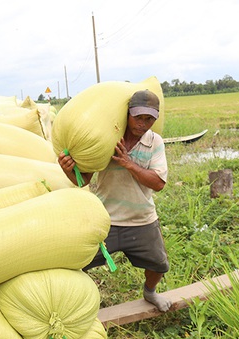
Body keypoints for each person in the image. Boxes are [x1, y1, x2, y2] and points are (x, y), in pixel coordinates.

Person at [58, 89, 172, 312]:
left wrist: (129, 164)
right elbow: (84, 180)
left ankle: (150, 293)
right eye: (138, 117)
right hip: (104, 219)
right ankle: (75, 304)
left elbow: (158, 183)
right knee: (79, 265)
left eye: (149, 119)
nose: (143, 123)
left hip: (141, 220)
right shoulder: (107, 139)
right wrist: (68, 170)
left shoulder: (154, 142)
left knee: (159, 265)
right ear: (128, 114)